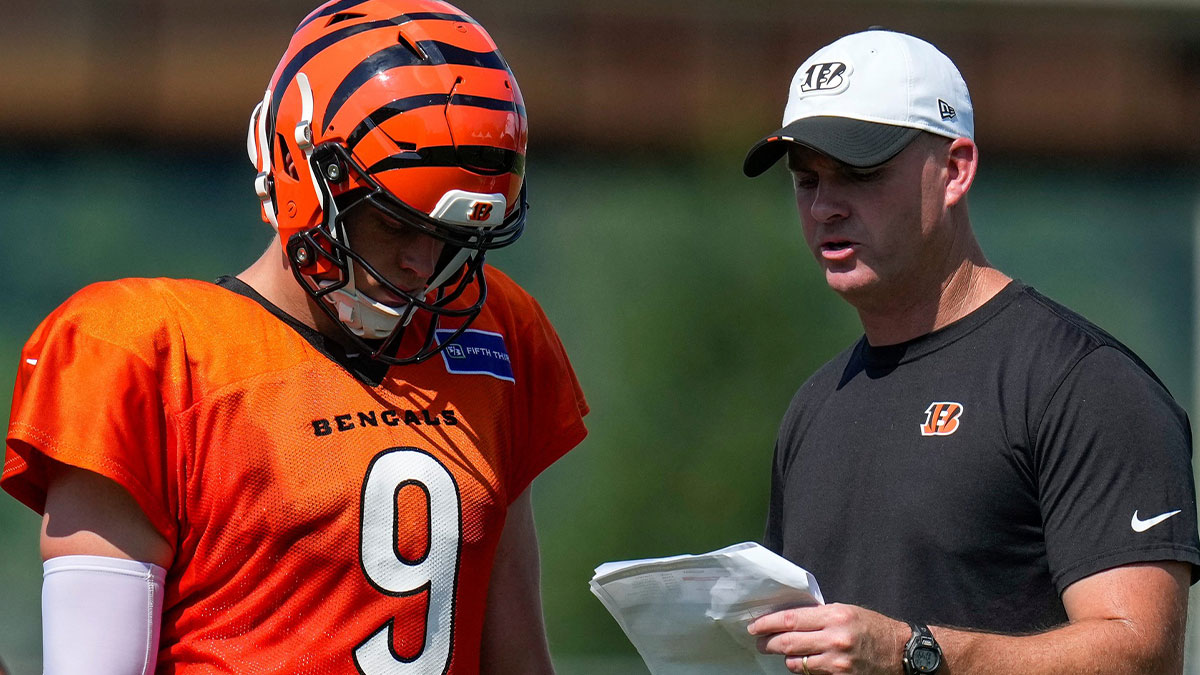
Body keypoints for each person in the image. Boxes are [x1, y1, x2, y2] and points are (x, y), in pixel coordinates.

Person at [2, 1, 588, 673]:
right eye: (395, 225)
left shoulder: (491, 332)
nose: (422, 267)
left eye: (450, 238)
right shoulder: (149, 352)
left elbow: (516, 659)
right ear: (305, 170)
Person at [739, 28, 1199, 675]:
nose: (825, 205)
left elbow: (1141, 654)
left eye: (858, 172)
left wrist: (910, 651)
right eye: (806, 179)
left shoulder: (1082, 382)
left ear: (954, 169)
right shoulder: (816, 404)